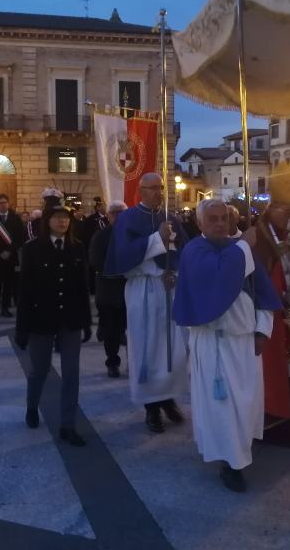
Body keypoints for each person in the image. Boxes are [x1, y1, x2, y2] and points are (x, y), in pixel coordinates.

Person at [174, 200, 281, 492]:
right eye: (213, 219)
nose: (221, 223)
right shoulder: (196, 251)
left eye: (224, 218)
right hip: (214, 345)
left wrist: (262, 330)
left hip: (244, 343)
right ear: (200, 224)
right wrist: (244, 245)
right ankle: (231, 463)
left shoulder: (240, 251)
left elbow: (262, 294)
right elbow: (221, 276)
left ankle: (240, 449)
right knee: (222, 407)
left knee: (245, 404)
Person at [103, 173, 189, 433]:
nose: (157, 193)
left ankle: (168, 398)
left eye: (160, 188)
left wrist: (177, 273)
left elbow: (184, 251)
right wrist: (156, 239)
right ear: (141, 191)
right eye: (152, 188)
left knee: (172, 347)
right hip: (144, 288)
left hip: (169, 289)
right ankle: (151, 407)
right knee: (148, 346)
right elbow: (123, 254)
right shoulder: (128, 218)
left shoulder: (171, 218)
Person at [15, 204, 91, 446]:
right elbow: (25, 291)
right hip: (41, 319)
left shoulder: (77, 248)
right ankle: (32, 405)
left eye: (66, 218)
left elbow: (82, 287)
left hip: (70, 320)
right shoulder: (33, 249)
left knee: (71, 374)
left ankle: (68, 425)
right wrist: (22, 327)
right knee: (40, 370)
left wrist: (86, 321)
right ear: (47, 221)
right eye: (58, 218)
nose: (62, 222)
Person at [249, 164, 290, 439]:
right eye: (285, 210)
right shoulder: (259, 236)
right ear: (272, 207)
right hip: (268, 311)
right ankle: (270, 413)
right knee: (270, 365)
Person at [89, 200, 128, 378]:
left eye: (122, 213)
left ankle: (133, 361)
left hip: (129, 290)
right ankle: (112, 362)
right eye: (114, 213)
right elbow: (96, 261)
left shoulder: (133, 235)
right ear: (109, 216)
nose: (118, 216)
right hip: (108, 291)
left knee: (128, 329)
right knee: (111, 330)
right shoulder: (100, 236)